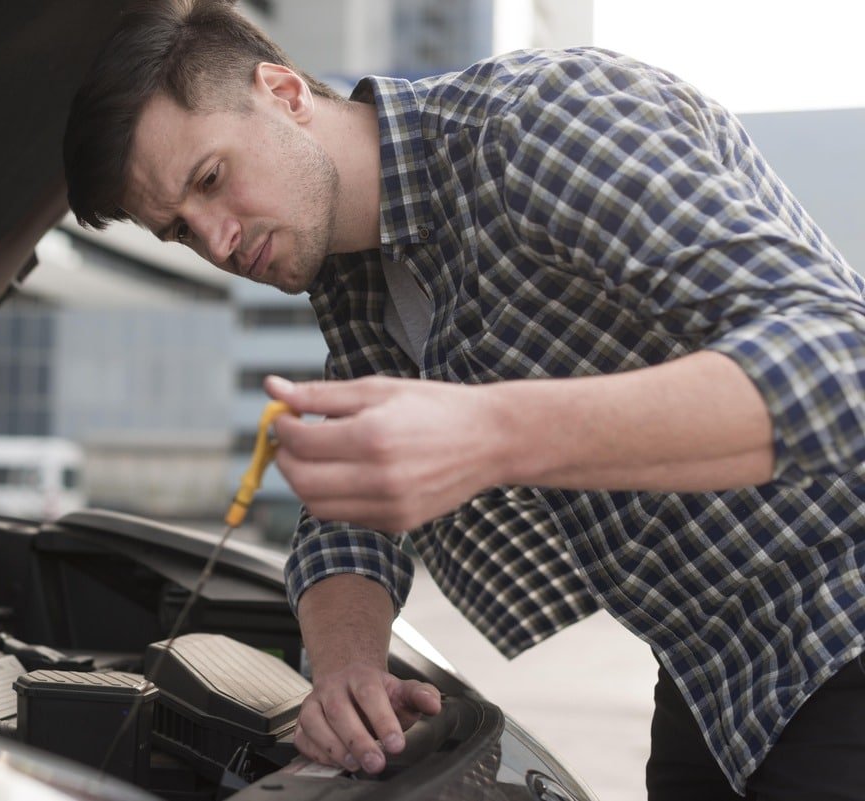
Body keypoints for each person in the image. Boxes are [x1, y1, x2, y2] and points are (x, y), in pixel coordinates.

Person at [62, 2, 865, 798]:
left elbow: (840, 361)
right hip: (711, 674)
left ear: (284, 92)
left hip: (840, 621)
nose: (217, 241)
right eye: (180, 230)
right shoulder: (351, 264)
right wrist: (346, 666)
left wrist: (492, 431)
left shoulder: (542, 125)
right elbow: (353, 508)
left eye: (210, 179)